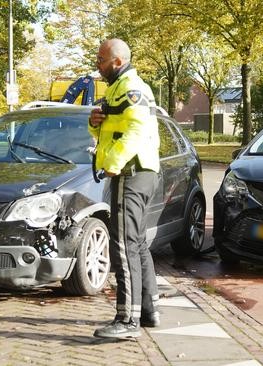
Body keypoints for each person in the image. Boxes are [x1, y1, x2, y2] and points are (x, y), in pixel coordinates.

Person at [88, 39, 161, 339]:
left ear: (117, 62)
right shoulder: (119, 87)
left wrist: (115, 162)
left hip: (131, 172)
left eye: (102, 59)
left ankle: (127, 320)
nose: (97, 63)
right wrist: (94, 124)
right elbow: (114, 127)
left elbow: (136, 129)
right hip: (140, 172)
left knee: (123, 246)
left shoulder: (132, 87)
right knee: (137, 242)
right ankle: (148, 309)